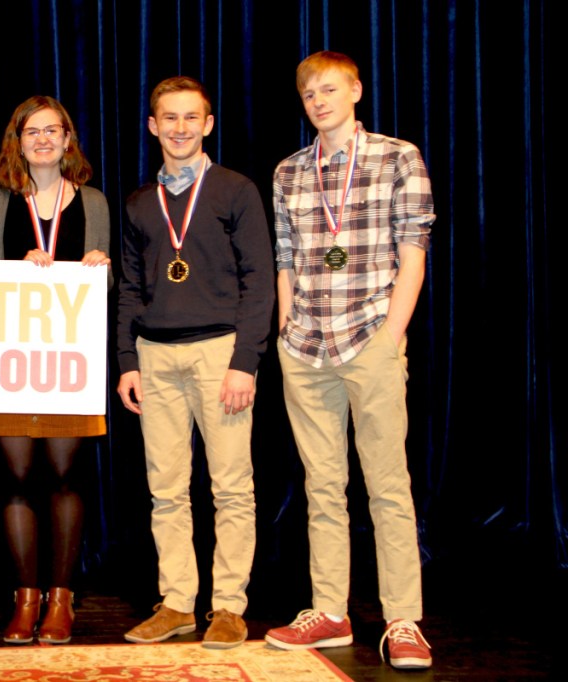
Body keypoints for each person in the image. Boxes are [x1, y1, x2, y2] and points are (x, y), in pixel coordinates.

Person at [265, 51, 435, 670]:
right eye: (309, 94)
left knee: (388, 484)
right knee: (322, 485)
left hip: (371, 339)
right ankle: (330, 611)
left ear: (356, 90)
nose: (319, 101)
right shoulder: (289, 172)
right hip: (306, 346)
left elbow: (413, 251)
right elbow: (286, 257)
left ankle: (402, 620)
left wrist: (392, 335)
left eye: (330, 89)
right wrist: (286, 327)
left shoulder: (398, 157)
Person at [116, 77, 274, 649]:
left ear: (208, 124)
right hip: (156, 358)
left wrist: (245, 361)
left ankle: (229, 605)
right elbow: (130, 288)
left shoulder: (236, 190)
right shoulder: (138, 202)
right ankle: (178, 600)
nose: (180, 128)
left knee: (231, 486)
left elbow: (259, 282)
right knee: (166, 489)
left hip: (219, 354)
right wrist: (127, 359)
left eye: (191, 118)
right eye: (169, 118)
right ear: (153, 126)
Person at [0, 96, 111, 645]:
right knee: (16, 479)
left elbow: (112, 287)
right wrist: (14, 270)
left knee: (64, 477)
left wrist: (101, 267)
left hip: (68, 363)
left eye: (54, 130)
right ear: (18, 140)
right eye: (34, 131)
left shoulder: (92, 201)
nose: (44, 139)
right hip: (6, 359)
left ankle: (61, 598)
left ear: (68, 139)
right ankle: (25, 598)